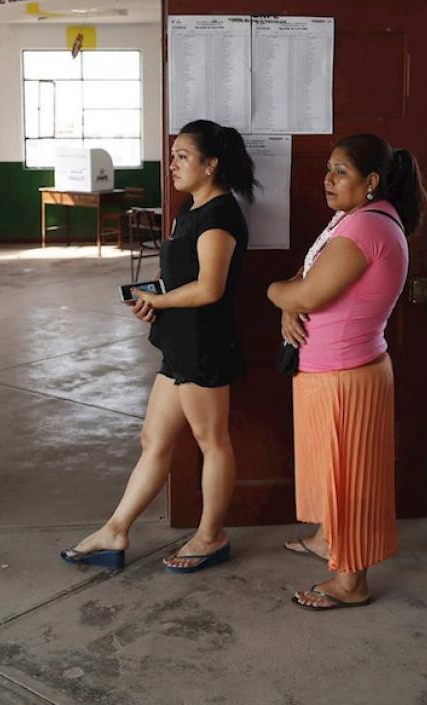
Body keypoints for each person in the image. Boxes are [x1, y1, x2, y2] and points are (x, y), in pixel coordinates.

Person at [61, 120, 256, 573]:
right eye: (172, 155)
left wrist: (161, 299)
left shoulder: (220, 215)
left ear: (212, 165)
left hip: (205, 345)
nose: (172, 164)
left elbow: (209, 288)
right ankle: (115, 530)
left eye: (183, 156)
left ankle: (211, 536)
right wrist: (155, 302)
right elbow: (183, 279)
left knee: (213, 441)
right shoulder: (189, 211)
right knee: (154, 439)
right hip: (180, 344)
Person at [267, 134, 426, 611]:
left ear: (371, 181)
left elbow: (306, 293)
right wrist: (288, 303)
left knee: (350, 478)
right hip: (330, 369)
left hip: (345, 375)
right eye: (329, 169)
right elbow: (307, 275)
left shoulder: (367, 230)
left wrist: (276, 295)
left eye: (341, 171)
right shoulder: (353, 220)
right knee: (330, 469)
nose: (328, 179)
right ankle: (327, 538)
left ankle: (351, 581)